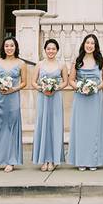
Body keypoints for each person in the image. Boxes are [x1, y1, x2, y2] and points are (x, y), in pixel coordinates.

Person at [68, 33, 103, 171]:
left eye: (92, 43)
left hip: (95, 98)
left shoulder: (101, 61)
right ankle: (81, 160)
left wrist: (95, 88)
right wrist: (80, 87)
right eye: (87, 43)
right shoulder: (77, 61)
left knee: (94, 129)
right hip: (80, 98)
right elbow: (71, 80)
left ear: (96, 46)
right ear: (83, 44)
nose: (89, 45)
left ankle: (93, 160)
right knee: (81, 129)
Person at [0, 36, 27, 172]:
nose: (9, 48)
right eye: (6, 46)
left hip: (13, 98)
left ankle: (11, 160)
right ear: (3, 48)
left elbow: (24, 82)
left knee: (11, 128)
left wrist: (12, 89)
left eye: (12, 46)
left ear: (16, 47)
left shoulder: (21, 64)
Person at [32, 38, 67, 172]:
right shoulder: (39, 64)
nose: (51, 51)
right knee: (43, 125)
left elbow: (65, 82)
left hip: (56, 97)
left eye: (53, 49)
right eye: (48, 49)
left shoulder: (62, 65)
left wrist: (55, 88)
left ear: (57, 50)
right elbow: (33, 82)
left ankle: (52, 159)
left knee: (55, 126)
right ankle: (43, 159)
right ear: (45, 50)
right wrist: (42, 88)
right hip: (43, 97)